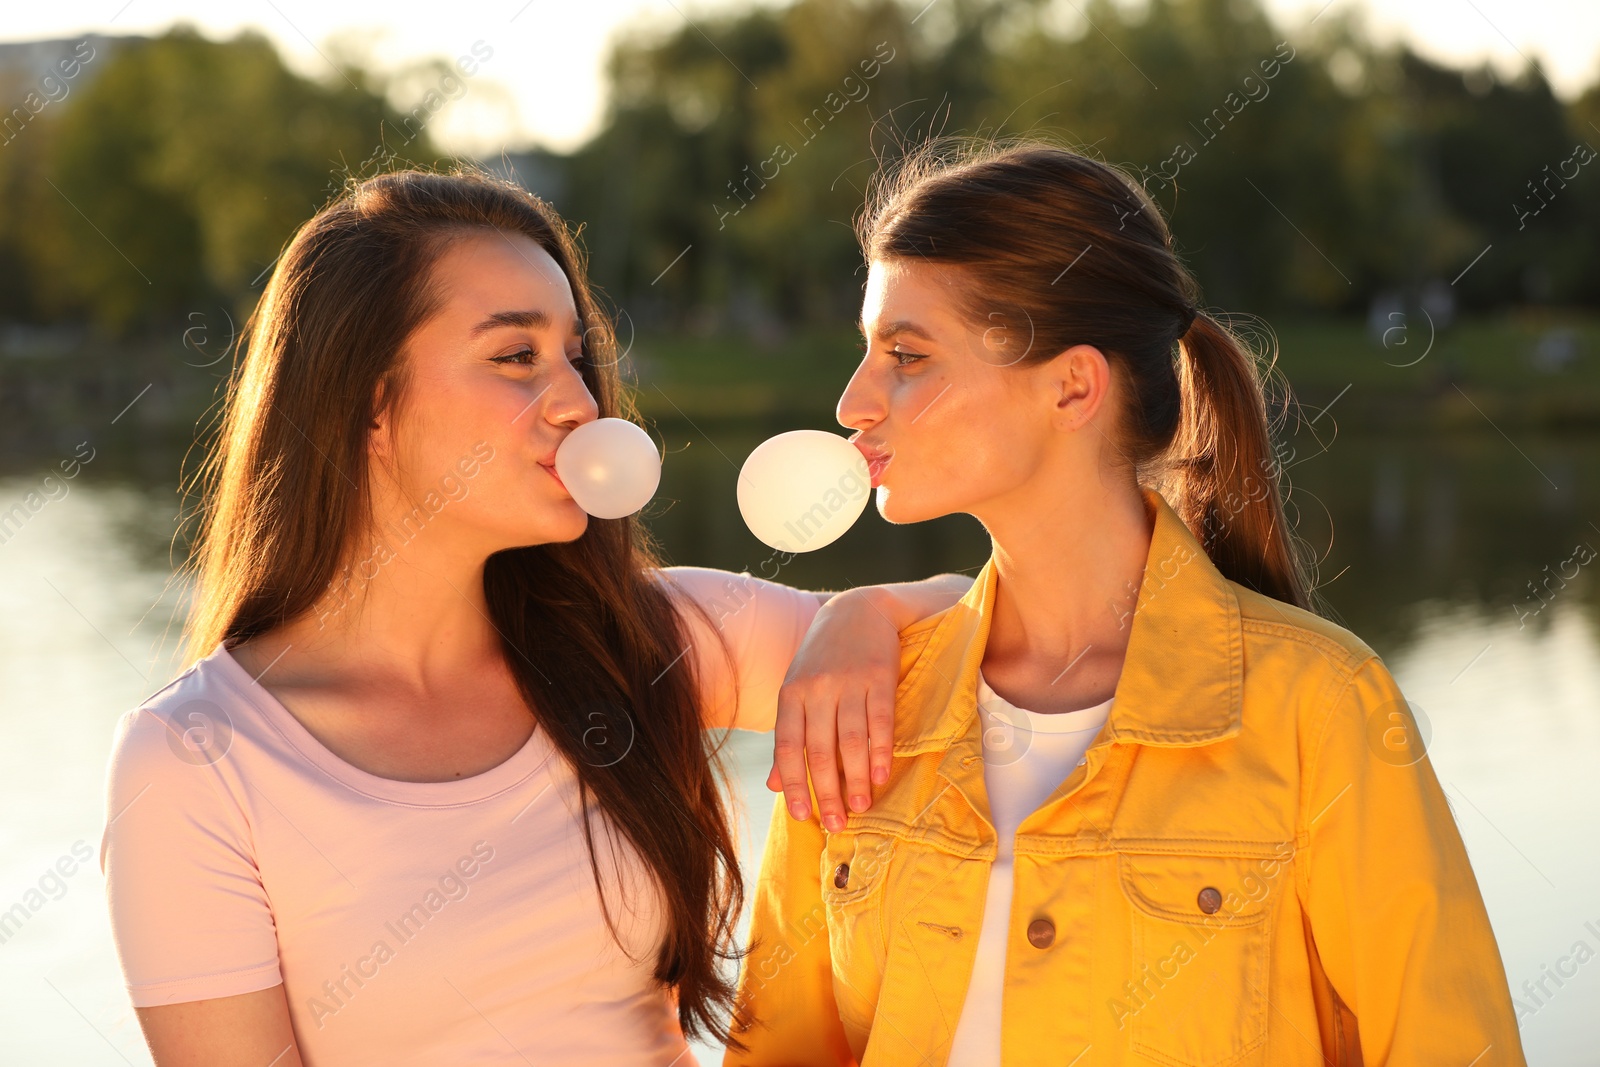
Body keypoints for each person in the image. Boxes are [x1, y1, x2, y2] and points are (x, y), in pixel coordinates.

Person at [100, 167, 968, 1067]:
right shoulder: (192, 761)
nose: (581, 405)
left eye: (577, 359)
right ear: (366, 404)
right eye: (517, 358)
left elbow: (1005, 629)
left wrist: (867, 611)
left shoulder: (643, 639)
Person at [728, 141, 1526, 1066]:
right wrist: (850, 613)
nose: (852, 400)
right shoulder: (862, 703)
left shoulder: (1321, 705)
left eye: (906, 355)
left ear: (1072, 385)